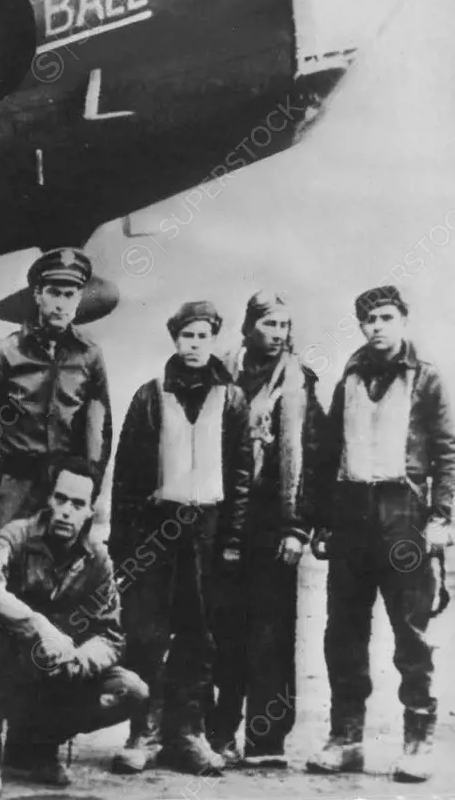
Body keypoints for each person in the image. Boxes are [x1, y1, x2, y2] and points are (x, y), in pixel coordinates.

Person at [306, 285, 454, 783]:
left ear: (403, 320)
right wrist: (322, 518)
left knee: (410, 633)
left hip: (404, 516)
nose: (377, 328)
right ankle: (345, 737)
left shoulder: (428, 378)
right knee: (342, 632)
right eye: (368, 320)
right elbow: (328, 453)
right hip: (351, 515)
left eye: (386, 318)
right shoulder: (348, 377)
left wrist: (442, 518)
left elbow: (447, 453)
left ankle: (418, 741)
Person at [107, 300, 251, 775]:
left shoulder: (231, 399)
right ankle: (142, 733)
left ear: (214, 341)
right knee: (147, 631)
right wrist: (123, 544)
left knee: (199, 634)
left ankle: (188, 733)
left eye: (203, 337)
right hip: (156, 529)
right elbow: (126, 474)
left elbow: (242, 474)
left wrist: (231, 538)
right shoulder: (150, 395)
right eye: (186, 336)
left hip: (206, 533)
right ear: (175, 339)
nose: (193, 345)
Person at [0, 459, 148, 798]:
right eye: (60, 499)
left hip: (58, 671)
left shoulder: (98, 561)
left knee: (131, 690)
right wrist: (37, 626)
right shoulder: (16, 535)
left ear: (90, 511)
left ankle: (34, 748)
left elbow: (110, 635)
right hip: (11, 664)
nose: (65, 511)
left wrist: (77, 658)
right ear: (49, 500)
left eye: (77, 504)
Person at [206, 291, 328, 766]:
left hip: (276, 522)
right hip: (226, 516)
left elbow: (314, 458)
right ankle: (217, 730)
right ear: (249, 327)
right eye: (268, 325)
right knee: (223, 625)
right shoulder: (221, 373)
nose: (277, 335)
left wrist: (298, 528)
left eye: (284, 326)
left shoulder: (301, 383)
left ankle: (266, 740)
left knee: (272, 632)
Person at [0, 248, 111, 536]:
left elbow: (100, 426)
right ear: (37, 294)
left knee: (58, 569)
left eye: (70, 294)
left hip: (65, 486)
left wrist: (90, 481)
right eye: (54, 292)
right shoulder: (5, 353)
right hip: (14, 482)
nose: (62, 303)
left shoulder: (89, 356)